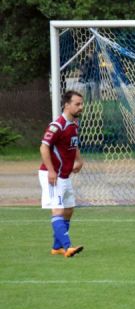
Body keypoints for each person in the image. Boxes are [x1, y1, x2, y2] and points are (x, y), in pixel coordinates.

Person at [39, 90, 85, 258]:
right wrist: (51, 171)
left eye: (81, 104)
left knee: (69, 209)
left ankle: (56, 246)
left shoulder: (74, 124)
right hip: (52, 175)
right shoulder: (57, 125)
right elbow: (43, 147)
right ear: (67, 105)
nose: (81, 107)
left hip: (64, 176)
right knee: (57, 210)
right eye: (77, 104)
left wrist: (79, 160)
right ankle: (68, 248)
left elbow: (74, 143)